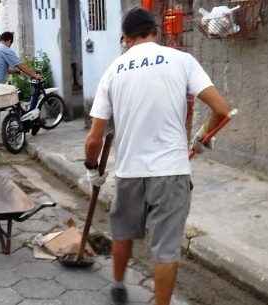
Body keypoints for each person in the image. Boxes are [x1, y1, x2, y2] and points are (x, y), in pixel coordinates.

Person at [84, 8, 231, 305]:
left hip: (128, 172)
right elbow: (222, 110)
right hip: (171, 171)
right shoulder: (182, 60)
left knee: (123, 232)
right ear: (155, 31)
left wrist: (92, 169)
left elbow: (94, 139)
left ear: (125, 38)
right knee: (165, 248)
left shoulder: (113, 70)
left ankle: (118, 286)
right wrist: (202, 139)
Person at [0, 31, 42, 150]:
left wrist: (15, 72)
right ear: (8, 41)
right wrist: (34, 75)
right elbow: (20, 64)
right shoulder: (5, 50)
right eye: (10, 43)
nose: (10, 45)